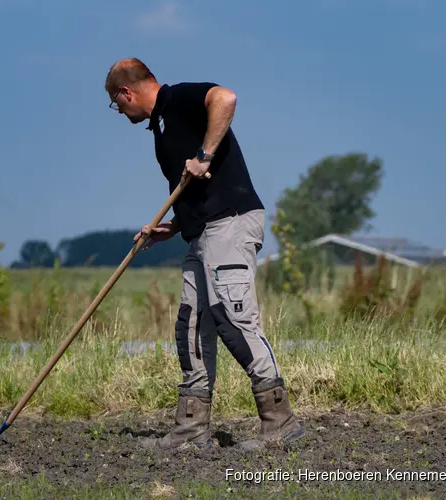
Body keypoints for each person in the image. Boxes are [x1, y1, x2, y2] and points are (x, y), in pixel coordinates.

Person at [104, 58, 304, 452]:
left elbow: (225, 98)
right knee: (192, 324)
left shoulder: (177, 99)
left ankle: (280, 422)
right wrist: (173, 227)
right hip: (200, 230)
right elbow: (191, 186)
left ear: (126, 93)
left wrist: (206, 154)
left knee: (232, 315)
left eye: (117, 103)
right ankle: (192, 430)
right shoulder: (162, 127)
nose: (120, 111)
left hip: (230, 222)